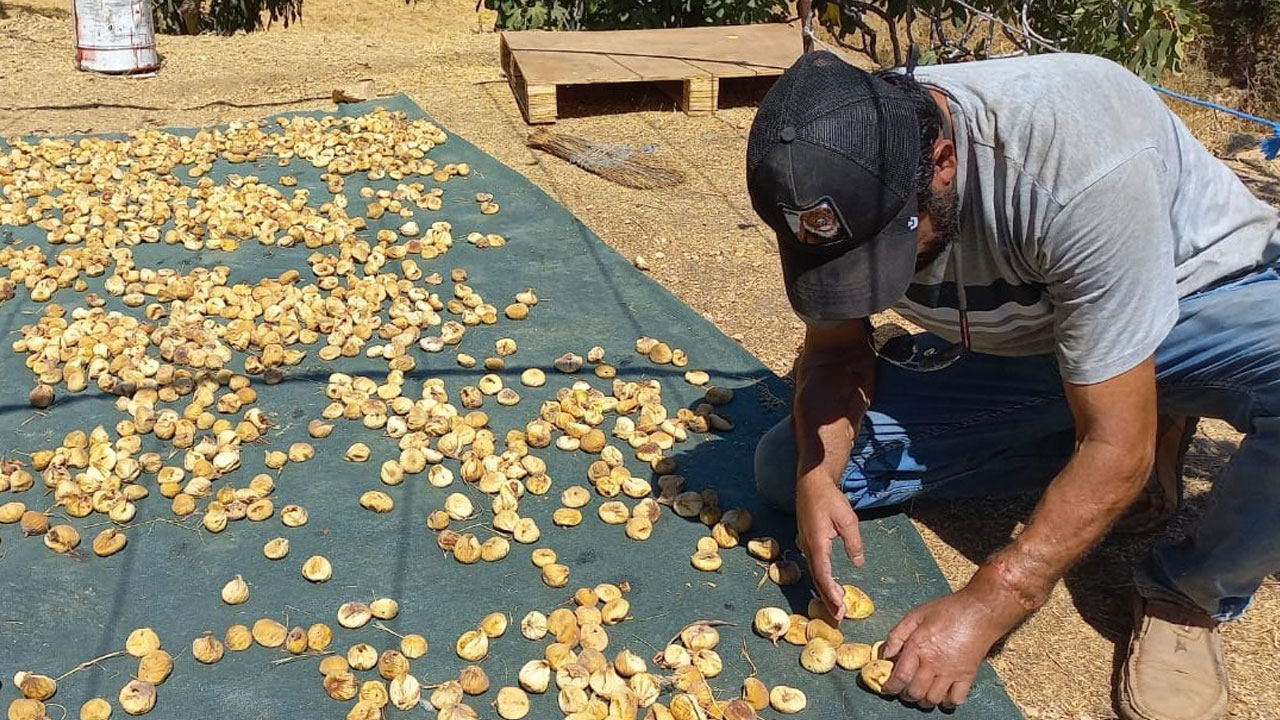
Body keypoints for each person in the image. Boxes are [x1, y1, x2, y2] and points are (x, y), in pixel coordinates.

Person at [746, 50, 1280, 720]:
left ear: (942, 163)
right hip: (1033, 339)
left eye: (886, 254)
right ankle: (1140, 420)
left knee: (1124, 439)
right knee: (783, 470)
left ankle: (1191, 591)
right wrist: (818, 478)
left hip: (1192, 306)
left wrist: (995, 595)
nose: (870, 283)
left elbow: (1116, 444)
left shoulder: (1074, 164)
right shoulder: (834, 174)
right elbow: (833, 353)